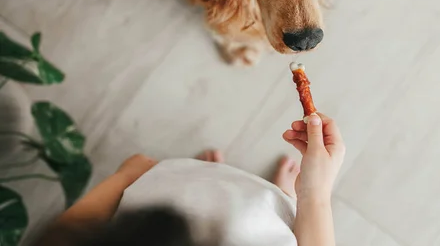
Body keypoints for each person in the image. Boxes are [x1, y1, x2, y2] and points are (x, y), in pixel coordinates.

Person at [35, 113, 345, 246]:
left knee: (198, 187)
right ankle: (281, 197)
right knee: (274, 211)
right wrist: (313, 194)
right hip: (267, 225)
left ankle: (205, 181)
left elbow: (71, 231)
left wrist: (128, 175)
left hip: (175, 187)